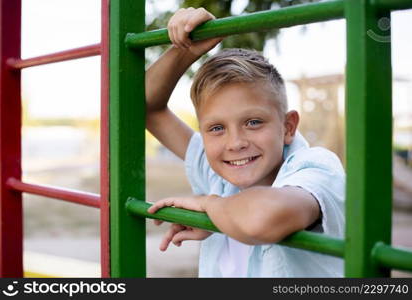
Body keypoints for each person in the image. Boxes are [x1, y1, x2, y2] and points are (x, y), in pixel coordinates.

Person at [145, 7, 345, 277]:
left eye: (253, 122)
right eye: (216, 128)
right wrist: (186, 49)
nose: (235, 143)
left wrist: (209, 205)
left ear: (288, 127)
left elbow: (260, 220)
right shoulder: (219, 170)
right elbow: (145, 107)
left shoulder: (315, 168)